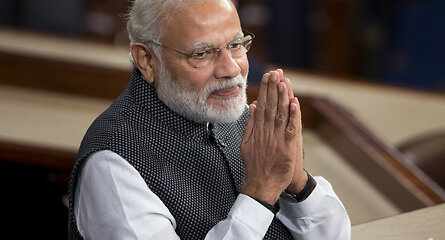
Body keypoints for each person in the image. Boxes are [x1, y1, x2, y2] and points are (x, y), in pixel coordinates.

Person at [68, 0, 351, 239]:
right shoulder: (112, 165)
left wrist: (298, 184)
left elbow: (335, 234)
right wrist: (260, 193)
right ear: (147, 60)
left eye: (236, 45)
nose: (231, 68)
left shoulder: (240, 113)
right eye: (201, 53)